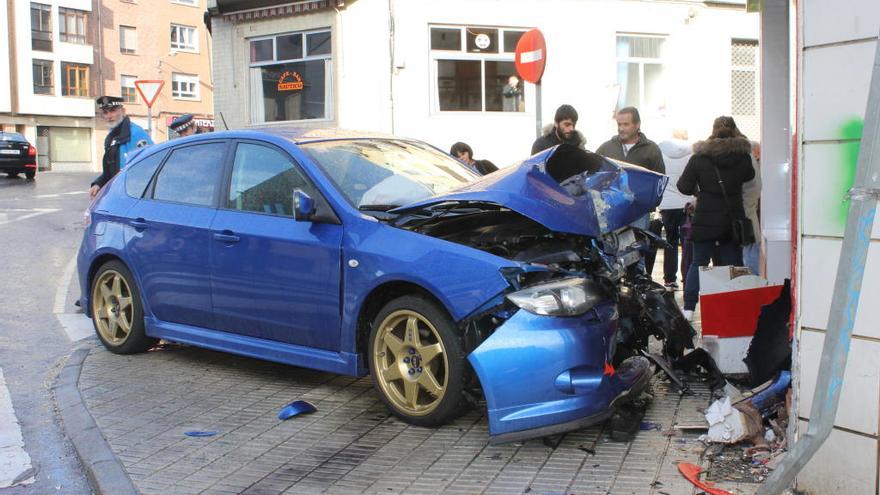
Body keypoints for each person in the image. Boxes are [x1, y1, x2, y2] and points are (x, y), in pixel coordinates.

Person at [677, 116, 755, 320]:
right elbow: (748, 177)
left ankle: (689, 308)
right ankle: (734, 308)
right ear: (734, 131)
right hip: (732, 219)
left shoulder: (700, 157)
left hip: (705, 219)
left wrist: (701, 192)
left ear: (712, 130)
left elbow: (683, 186)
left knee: (698, 263)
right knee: (733, 265)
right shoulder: (743, 157)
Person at [596, 107, 665, 276]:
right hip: (611, 212)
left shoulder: (651, 149)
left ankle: (636, 284)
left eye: (625, 124)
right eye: (619, 124)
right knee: (611, 252)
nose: (621, 128)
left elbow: (659, 181)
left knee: (636, 253)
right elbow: (595, 177)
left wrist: (651, 204)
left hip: (639, 212)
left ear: (637, 125)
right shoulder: (606, 148)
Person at [90, 96, 152, 199]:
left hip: (133, 194)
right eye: (105, 112)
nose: (109, 116)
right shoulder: (111, 136)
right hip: (119, 192)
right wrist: (98, 183)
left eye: (113, 111)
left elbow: (147, 166)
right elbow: (110, 171)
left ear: (123, 111)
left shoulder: (135, 133)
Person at [657, 129, 695, 290]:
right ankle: (687, 277)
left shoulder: (660, 152)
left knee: (670, 242)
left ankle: (670, 279)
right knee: (687, 243)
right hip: (686, 204)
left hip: (667, 204)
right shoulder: (691, 153)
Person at [742, 140, 762, 276]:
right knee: (751, 250)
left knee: (749, 251)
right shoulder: (754, 164)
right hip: (751, 215)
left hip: (747, 215)